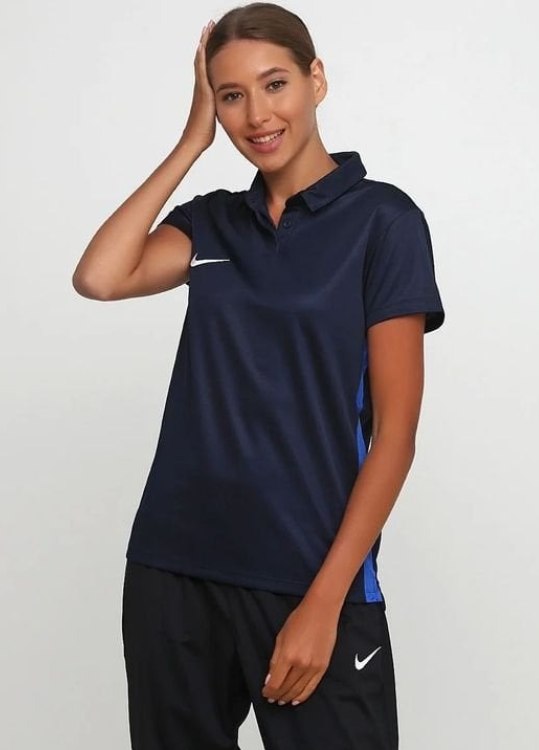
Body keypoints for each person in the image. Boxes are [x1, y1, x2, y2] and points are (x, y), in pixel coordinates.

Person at [72, 3, 445, 748]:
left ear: (316, 80)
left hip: (309, 572)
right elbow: (100, 278)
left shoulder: (383, 222)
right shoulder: (211, 223)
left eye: (275, 84)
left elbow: (395, 437)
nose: (257, 115)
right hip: (174, 569)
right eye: (232, 95)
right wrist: (191, 142)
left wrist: (325, 603)